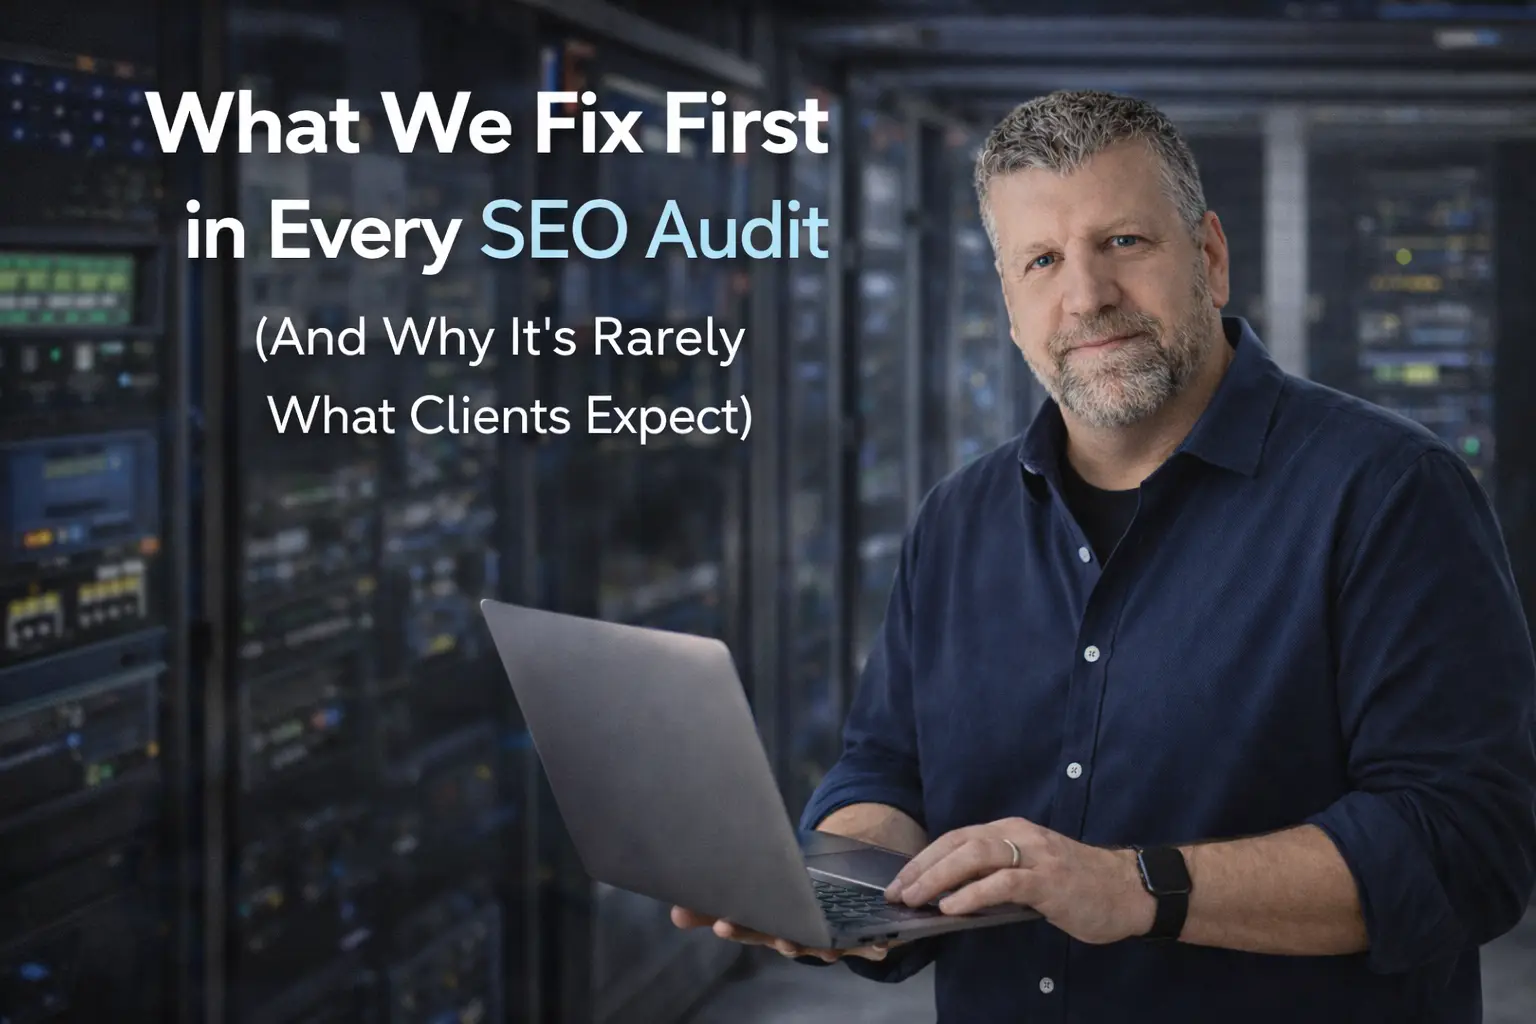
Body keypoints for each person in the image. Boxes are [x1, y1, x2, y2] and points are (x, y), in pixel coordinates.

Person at [671, 89, 1536, 1021]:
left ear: (1208, 256)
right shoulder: (957, 523)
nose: (1086, 296)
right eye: (1042, 261)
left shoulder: (1389, 491)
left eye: (1123, 242)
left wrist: (1133, 886)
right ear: (1009, 305)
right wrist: (839, 882)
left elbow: (1465, 847)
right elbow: (886, 771)